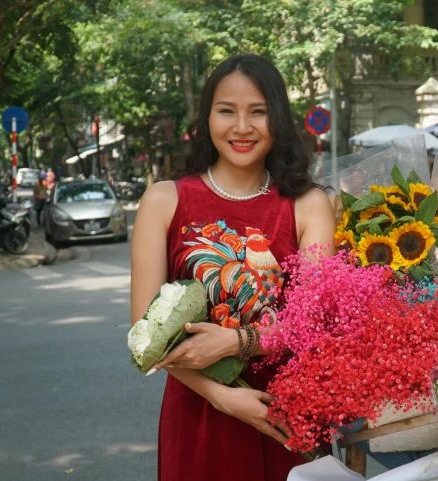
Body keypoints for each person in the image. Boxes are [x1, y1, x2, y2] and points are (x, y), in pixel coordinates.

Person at [130, 54, 336, 481]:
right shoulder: (164, 200)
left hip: (286, 413)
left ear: (277, 120)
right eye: (227, 111)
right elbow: (144, 334)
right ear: (206, 118)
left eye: (258, 112)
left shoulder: (307, 204)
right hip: (197, 419)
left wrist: (233, 342)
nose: (242, 127)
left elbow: (313, 323)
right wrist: (222, 397)